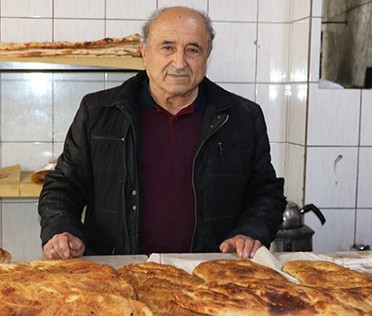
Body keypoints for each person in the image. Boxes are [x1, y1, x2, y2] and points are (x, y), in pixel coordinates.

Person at [38, 6, 286, 260]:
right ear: (144, 53)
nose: (179, 62)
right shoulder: (99, 112)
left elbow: (265, 193)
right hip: (119, 275)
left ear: (207, 55)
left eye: (192, 50)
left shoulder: (243, 117)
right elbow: (64, 186)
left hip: (211, 277)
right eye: (167, 47)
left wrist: (249, 231)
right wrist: (61, 228)